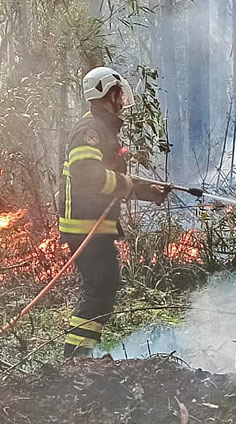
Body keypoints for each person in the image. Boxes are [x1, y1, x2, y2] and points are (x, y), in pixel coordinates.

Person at [58, 66, 169, 358]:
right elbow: (87, 175)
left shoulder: (102, 128)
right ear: (108, 93)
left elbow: (111, 183)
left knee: (103, 288)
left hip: (93, 224)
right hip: (85, 226)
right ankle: (76, 357)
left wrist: (148, 191)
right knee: (99, 289)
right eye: (119, 92)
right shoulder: (90, 130)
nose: (123, 99)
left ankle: (80, 357)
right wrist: (126, 182)